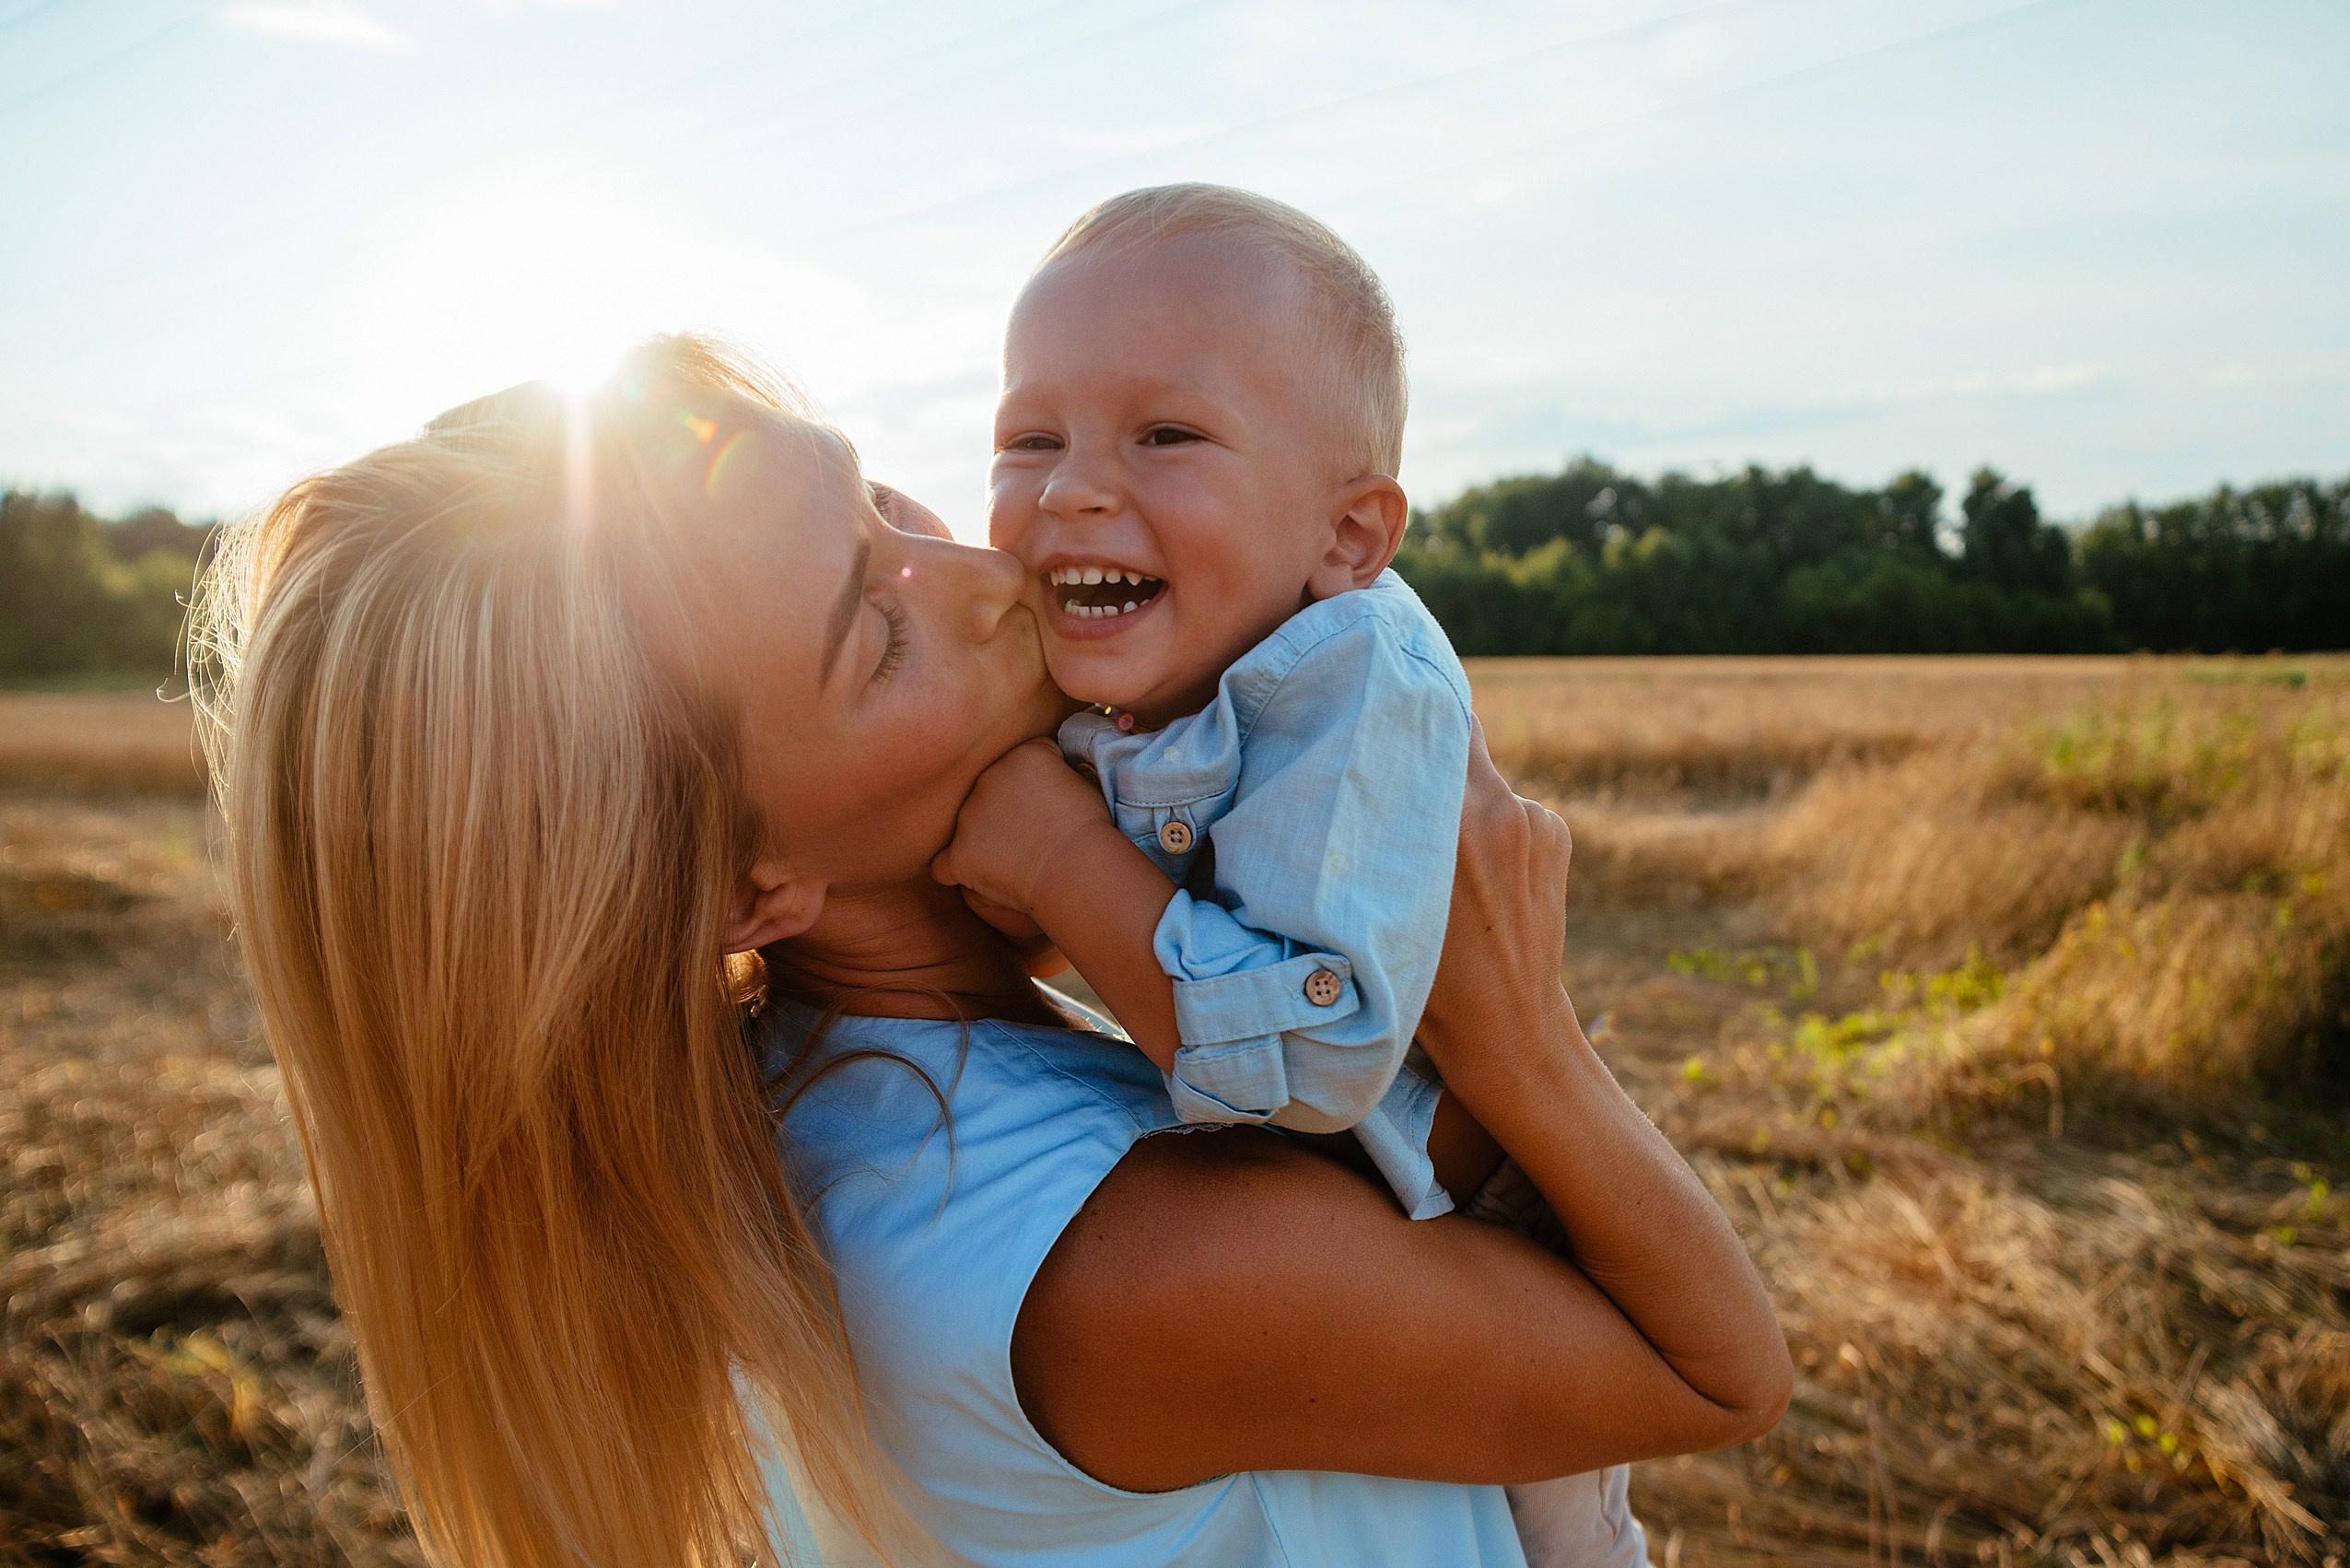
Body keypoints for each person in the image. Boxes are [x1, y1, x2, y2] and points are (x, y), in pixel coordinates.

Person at [193, 333, 1790, 1568]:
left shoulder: (806, 1112)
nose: (977, 577)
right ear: (741, 889)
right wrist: (1523, 1033)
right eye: (872, 633)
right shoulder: (1107, 1264)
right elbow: (1717, 1373)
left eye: (884, 500)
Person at [947, 182, 1638, 1562]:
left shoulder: (1350, 676)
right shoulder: (1127, 657)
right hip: (1332, 1227)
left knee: (1552, 1535)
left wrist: (1054, 855)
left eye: (1167, 434)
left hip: (1489, 1217)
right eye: (1033, 436)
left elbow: (1322, 1057)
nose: (1075, 484)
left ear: (1347, 537)